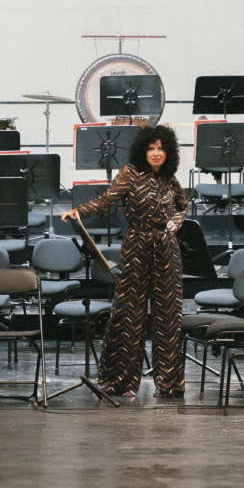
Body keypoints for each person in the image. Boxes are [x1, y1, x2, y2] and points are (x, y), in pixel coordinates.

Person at [61, 125, 187, 398]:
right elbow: (105, 201)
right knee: (129, 315)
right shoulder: (130, 174)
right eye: (151, 148)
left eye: (161, 148)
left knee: (168, 317)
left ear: (169, 152)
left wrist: (175, 223)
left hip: (167, 250)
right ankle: (120, 381)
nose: (156, 153)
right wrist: (78, 211)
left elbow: (181, 208)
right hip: (136, 247)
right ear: (143, 150)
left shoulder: (170, 179)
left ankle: (169, 383)